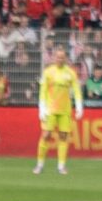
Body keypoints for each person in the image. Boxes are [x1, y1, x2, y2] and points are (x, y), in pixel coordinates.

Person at [34, 47, 82, 175]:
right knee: (46, 135)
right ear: (54, 57)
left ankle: (61, 166)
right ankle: (39, 165)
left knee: (63, 136)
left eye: (62, 57)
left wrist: (79, 106)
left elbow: (76, 90)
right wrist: (42, 108)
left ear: (65, 58)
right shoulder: (48, 72)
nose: (60, 59)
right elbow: (43, 91)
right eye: (58, 57)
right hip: (50, 109)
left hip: (65, 110)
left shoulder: (71, 73)